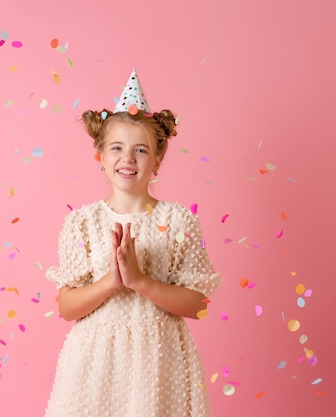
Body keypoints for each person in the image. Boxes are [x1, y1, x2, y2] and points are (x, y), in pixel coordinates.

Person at [44, 70, 221, 417]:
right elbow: (67, 308)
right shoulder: (82, 223)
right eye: (117, 148)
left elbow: (198, 306)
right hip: (94, 366)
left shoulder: (178, 222)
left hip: (159, 363)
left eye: (141, 150)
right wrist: (111, 281)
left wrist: (140, 281)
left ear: (157, 159)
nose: (128, 158)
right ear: (101, 156)